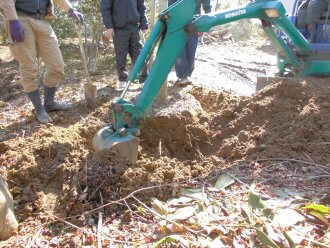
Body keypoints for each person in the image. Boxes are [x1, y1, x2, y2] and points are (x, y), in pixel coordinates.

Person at [0, 0, 83, 124]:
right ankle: (39, 109)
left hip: (43, 20)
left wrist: (70, 9)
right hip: (21, 19)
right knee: (29, 67)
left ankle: (49, 103)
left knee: (57, 66)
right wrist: (13, 20)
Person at [100, 0, 148, 91]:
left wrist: (144, 24)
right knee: (121, 55)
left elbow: (141, 6)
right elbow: (105, 8)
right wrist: (109, 26)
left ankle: (144, 78)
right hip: (119, 29)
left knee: (138, 53)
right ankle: (123, 80)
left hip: (134, 27)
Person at [168, 0, 212, 87]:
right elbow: (170, 6)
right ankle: (182, 76)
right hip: (178, 24)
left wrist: (204, 26)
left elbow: (207, 7)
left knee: (191, 52)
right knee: (180, 52)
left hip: (194, 23)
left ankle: (188, 75)